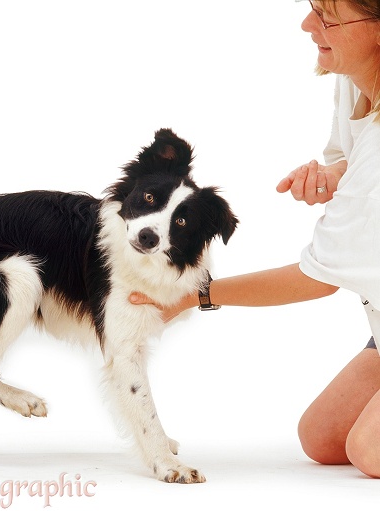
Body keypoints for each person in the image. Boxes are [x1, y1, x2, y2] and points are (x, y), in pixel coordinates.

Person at [130, 0, 380, 478]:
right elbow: (354, 158)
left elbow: (317, 279)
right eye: (313, 8)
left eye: (328, 18)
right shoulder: (357, 82)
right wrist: (333, 174)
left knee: (369, 451)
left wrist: (195, 295)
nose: (308, 25)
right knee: (322, 439)